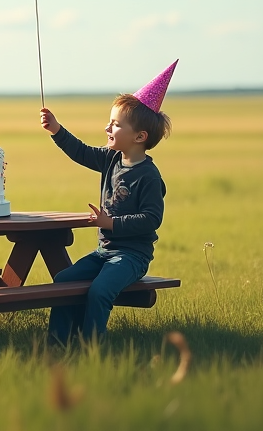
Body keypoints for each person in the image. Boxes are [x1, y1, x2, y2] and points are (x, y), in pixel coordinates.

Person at [40, 60, 176, 346]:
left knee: (99, 291)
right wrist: (56, 130)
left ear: (139, 137)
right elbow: (82, 152)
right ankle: (57, 344)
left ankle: (92, 348)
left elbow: (152, 219)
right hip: (104, 252)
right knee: (64, 280)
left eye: (115, 124)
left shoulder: (148, 176)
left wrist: (110, 223)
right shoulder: (111, 158)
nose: (107, 127)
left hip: (132, 257)